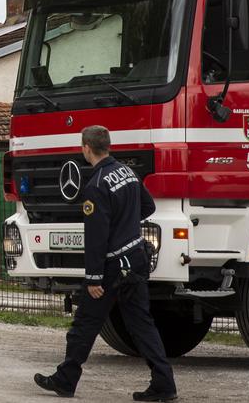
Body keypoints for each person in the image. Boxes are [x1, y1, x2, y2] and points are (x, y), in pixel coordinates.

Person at [34, 125, 177, 401]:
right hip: (135, 259)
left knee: (85, 323)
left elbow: (96, 237)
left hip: (112, 267)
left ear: (86, 148)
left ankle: (66, 379)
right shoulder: (129, 173)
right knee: (142, 325)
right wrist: (126, 226)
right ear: (107, 145)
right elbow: (148, 207)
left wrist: (93, 278)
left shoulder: (96, 185)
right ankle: (164, 383)